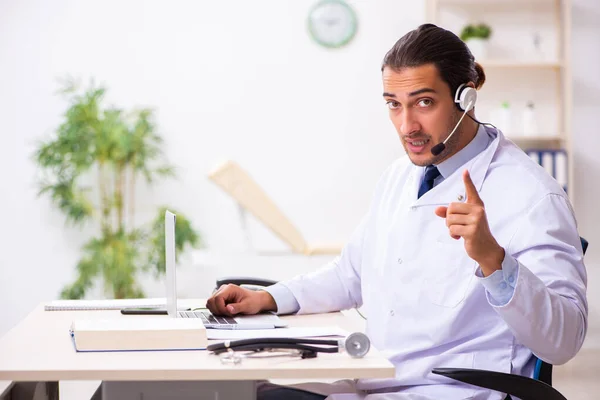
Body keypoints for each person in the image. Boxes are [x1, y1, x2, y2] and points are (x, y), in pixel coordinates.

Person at [206, 23, 588, 400]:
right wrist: (268, 298)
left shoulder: (533, 196)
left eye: (424, 102)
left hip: (454, 393)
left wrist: (494, 261)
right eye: (394, 105)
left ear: (466, 98)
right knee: (244, 391)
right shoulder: (401, 175)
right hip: (376, 381)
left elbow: (564, 340)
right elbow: (350, 273)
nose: (407, 126)